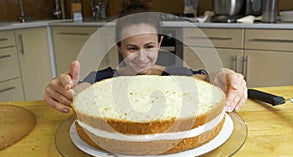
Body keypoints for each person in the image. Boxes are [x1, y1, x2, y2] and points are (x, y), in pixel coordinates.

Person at [44, 1, 247, 114]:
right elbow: (80, 91)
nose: (142, 57)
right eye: (132, 48)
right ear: (120, 48)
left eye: (149, 46)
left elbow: (206, 80)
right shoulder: (104, 79)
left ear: (159, 43)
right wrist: (65, 90)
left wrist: (225, 74)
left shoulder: (173, 73)